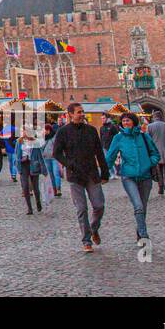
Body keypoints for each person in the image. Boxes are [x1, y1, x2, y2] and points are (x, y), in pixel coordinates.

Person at [52, 104, 111, 253]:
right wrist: (69, 165)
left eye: (82, 112)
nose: (82, 114)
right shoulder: (63, 132)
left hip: (91, 172)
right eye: (79, 112)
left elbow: (99, 153)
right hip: (75, 175)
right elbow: (56, 153)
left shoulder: (91, 131)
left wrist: (105, 172)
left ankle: (94, 228)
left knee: (99, 205)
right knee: (82, 208)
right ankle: (86, 240)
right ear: (70, 114)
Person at [104, 111, 159, 249]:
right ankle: (144, 235)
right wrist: (103, 174)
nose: (125, 123)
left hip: (145, 176)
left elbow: (155, 153)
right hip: (128, 177)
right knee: (138, 206)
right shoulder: (119, 138)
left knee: (143, 207)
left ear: (134, 121)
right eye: (123, 121)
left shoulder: (144, 137)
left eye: (128, 120)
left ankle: (139, 232)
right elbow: (110, 156)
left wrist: (149, 162)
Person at [16, 127, 46, 214]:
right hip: (23, 165)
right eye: (22, 131)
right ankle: (29, 208)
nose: (24, 133)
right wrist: (18, 164)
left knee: (35, 187)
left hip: (33, 165)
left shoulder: (35, 142)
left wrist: (44, 170)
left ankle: (38, 202)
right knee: (25, 187)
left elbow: (40, 156)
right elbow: (17, 154)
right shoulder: (19, 141)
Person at [42, 122, 63, 197]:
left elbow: (58, 146)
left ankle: (58, 189)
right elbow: (41, 148)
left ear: (49, 130)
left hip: (54, 158)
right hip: (46, 158)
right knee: (50, 175)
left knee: (56, 173)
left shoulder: (54, 136)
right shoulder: (43, 138)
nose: (44, 131)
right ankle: (54, 190)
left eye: (46, 130)